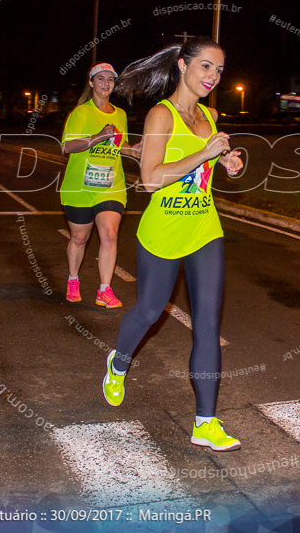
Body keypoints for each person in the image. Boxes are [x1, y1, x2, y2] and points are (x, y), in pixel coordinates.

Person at [102, 37, 245, 452]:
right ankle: (119, 362)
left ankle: (205, 422)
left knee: (207, 327)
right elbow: (150, 178)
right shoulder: (160, 115)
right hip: (163, 230)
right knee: (148, 311)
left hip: (204, 228)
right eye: (205, 67)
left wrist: (226, 160)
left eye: (218, 70)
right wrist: (205, 153)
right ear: (183, 65)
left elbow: (213, 158)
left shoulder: (210, 115)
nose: (212, 77)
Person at [60, 62, 140, 308]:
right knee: (79, 238)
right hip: (79, 187)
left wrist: (133, 151)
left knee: (109, 234)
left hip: (111, 185)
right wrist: (98, 137)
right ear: (91, 82)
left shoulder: (120, 114)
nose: (106, 84)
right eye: (101, 79)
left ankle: (104, 290)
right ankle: (73, 279)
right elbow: (67, 147)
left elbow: (120, 144)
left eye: (111, 80)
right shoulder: (81, 114)